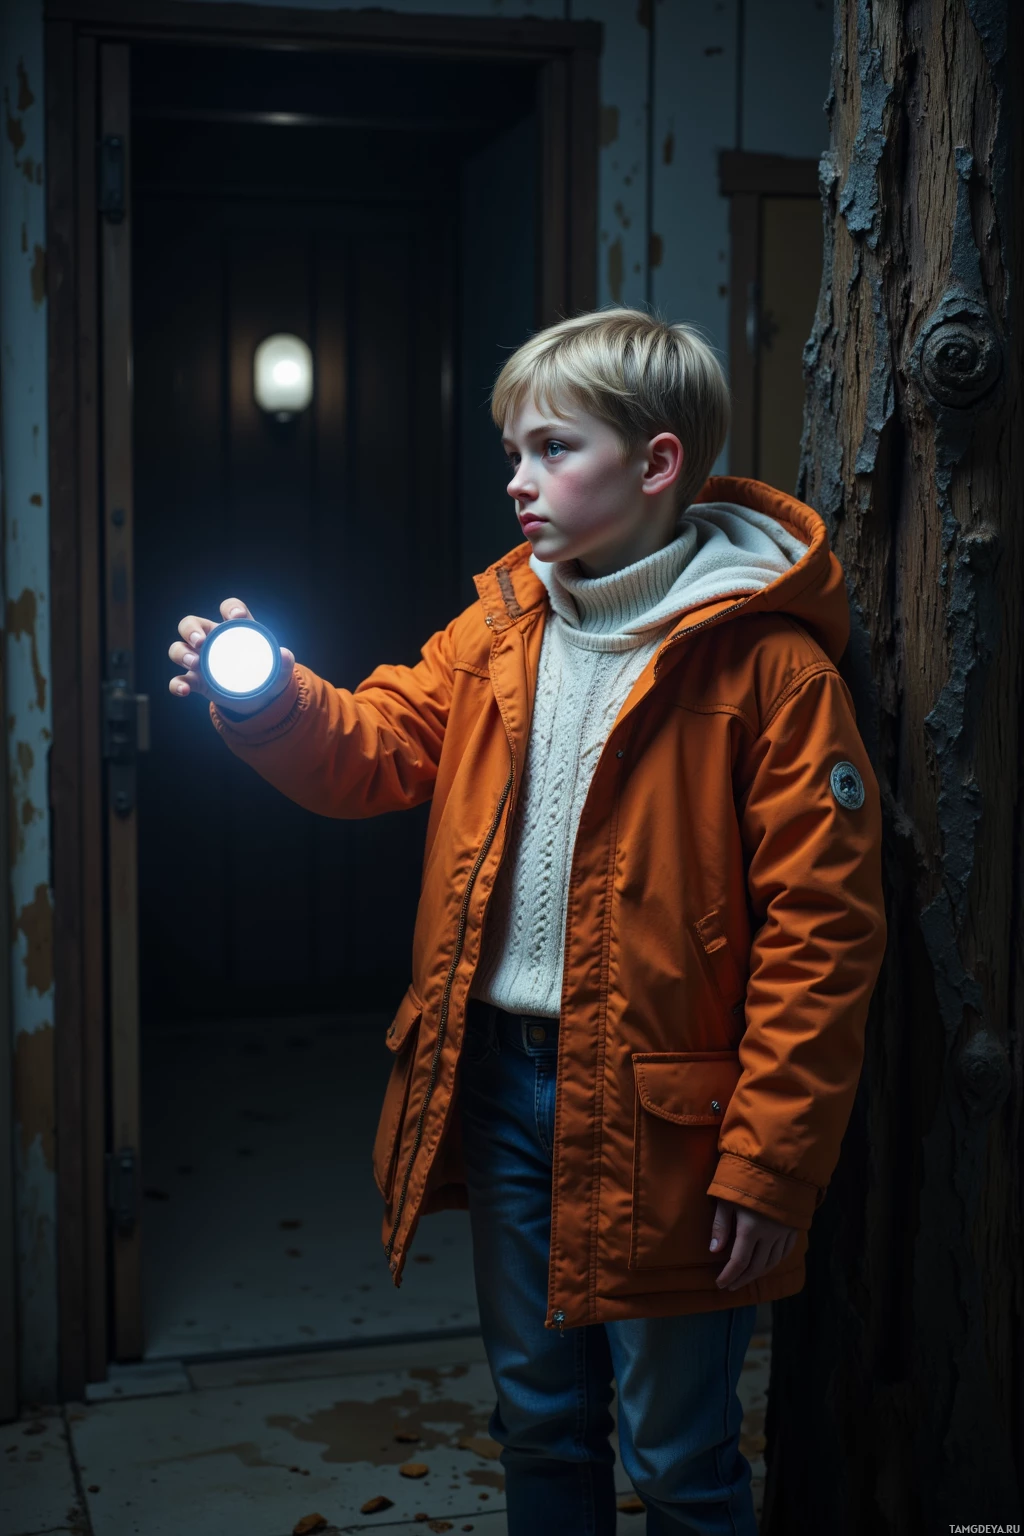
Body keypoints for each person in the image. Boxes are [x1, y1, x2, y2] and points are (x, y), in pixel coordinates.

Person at [168, 307, 886, 1534]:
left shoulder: (767, 668)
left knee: (678, 1457)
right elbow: (377, 747)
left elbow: (821, 936)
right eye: (513, 452)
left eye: (553, 449)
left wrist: (770, 1165)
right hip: (503, 1083)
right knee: (541, 1423)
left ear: (657, 463)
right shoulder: (500, 630)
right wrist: (272, 699)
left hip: (670, 1116)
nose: (518, 479)